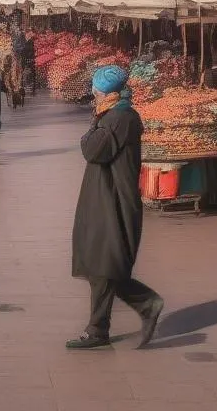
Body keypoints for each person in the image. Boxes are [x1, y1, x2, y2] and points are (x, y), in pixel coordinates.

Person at [68, 65, 163, 350]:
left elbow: (91, 149)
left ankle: (135, 309)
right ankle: (109, 323)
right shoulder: (117, 115)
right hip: (104, 197)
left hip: (113, 200)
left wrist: (95, 123)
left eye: (97, 90)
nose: (94, 94)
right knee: (104, 263)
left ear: (106, 92)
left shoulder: (118, 118)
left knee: (105, 263)